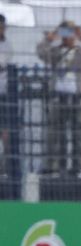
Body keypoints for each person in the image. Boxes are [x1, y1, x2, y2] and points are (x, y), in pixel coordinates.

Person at [37, 20, 81, 178]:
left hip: (77, 98)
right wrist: (50, 38)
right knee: (54, 134)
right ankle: (51, 167)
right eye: (65, 32)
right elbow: (40, 53)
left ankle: (80, 167)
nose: (67, 36)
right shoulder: (55, 52)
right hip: (58, 98)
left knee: (78, 134)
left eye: (70, 32)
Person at [0, 14, 13, 178]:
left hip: (2, 94)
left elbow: (3, 64)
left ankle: (4, 168)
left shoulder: (7, 45)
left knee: (5, 132)